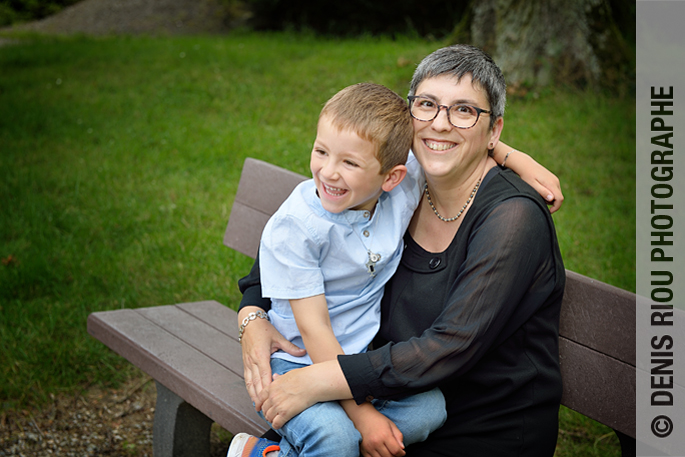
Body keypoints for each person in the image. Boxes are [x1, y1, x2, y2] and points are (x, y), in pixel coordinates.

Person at [237, 44, 566, 457]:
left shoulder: (513, 218)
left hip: (477, 425)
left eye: (464, 110)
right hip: (387, 396)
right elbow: (283, 255)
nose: (440, 124)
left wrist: (320, 381)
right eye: (427, 104)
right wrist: (252, 316)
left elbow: (452, 345)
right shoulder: (398, 182)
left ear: (494, 127)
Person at [229, 82, 448, 457]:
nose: (328, 172)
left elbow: (445, 146)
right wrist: (362, 416)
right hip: (294, 364)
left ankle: (267, 454)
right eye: (321, 151)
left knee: (431, 408)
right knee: (338, 438)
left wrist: (516, 159)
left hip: (362, 359)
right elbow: (314, 331)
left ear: (391, 177)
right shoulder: (297, 228)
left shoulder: (402, 189)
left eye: (349, 162)